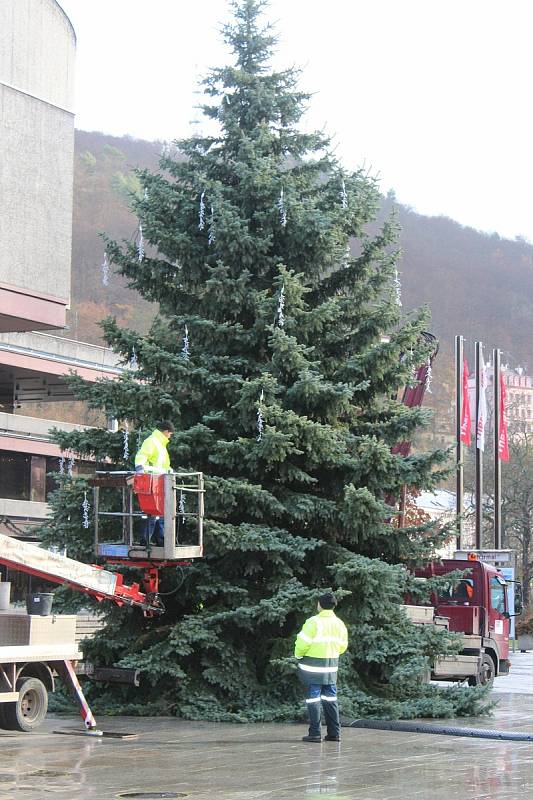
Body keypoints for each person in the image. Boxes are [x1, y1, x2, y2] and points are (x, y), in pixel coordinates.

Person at [294, 591, 348, 743]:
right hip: (331, 668)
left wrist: (298, 656)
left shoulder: (313, 622)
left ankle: (315, 733)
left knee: (313, 700)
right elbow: (343, 646)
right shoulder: (339, 624)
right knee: (331, 699)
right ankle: (334, 734)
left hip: (312, 668)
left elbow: (302, 643)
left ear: (319, 605)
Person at [134, 421, 175, 546]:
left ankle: (160, 539)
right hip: (152, 482)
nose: (170, 437)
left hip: (160, 482)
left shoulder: (160, 444)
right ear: (166, 431)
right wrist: (140, 469)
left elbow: (163, 465)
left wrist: (170, 471)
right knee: (152, 512)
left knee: (160, 512)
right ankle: (146, 539)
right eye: (170, 434)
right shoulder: (152, 442)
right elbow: (142, 456)